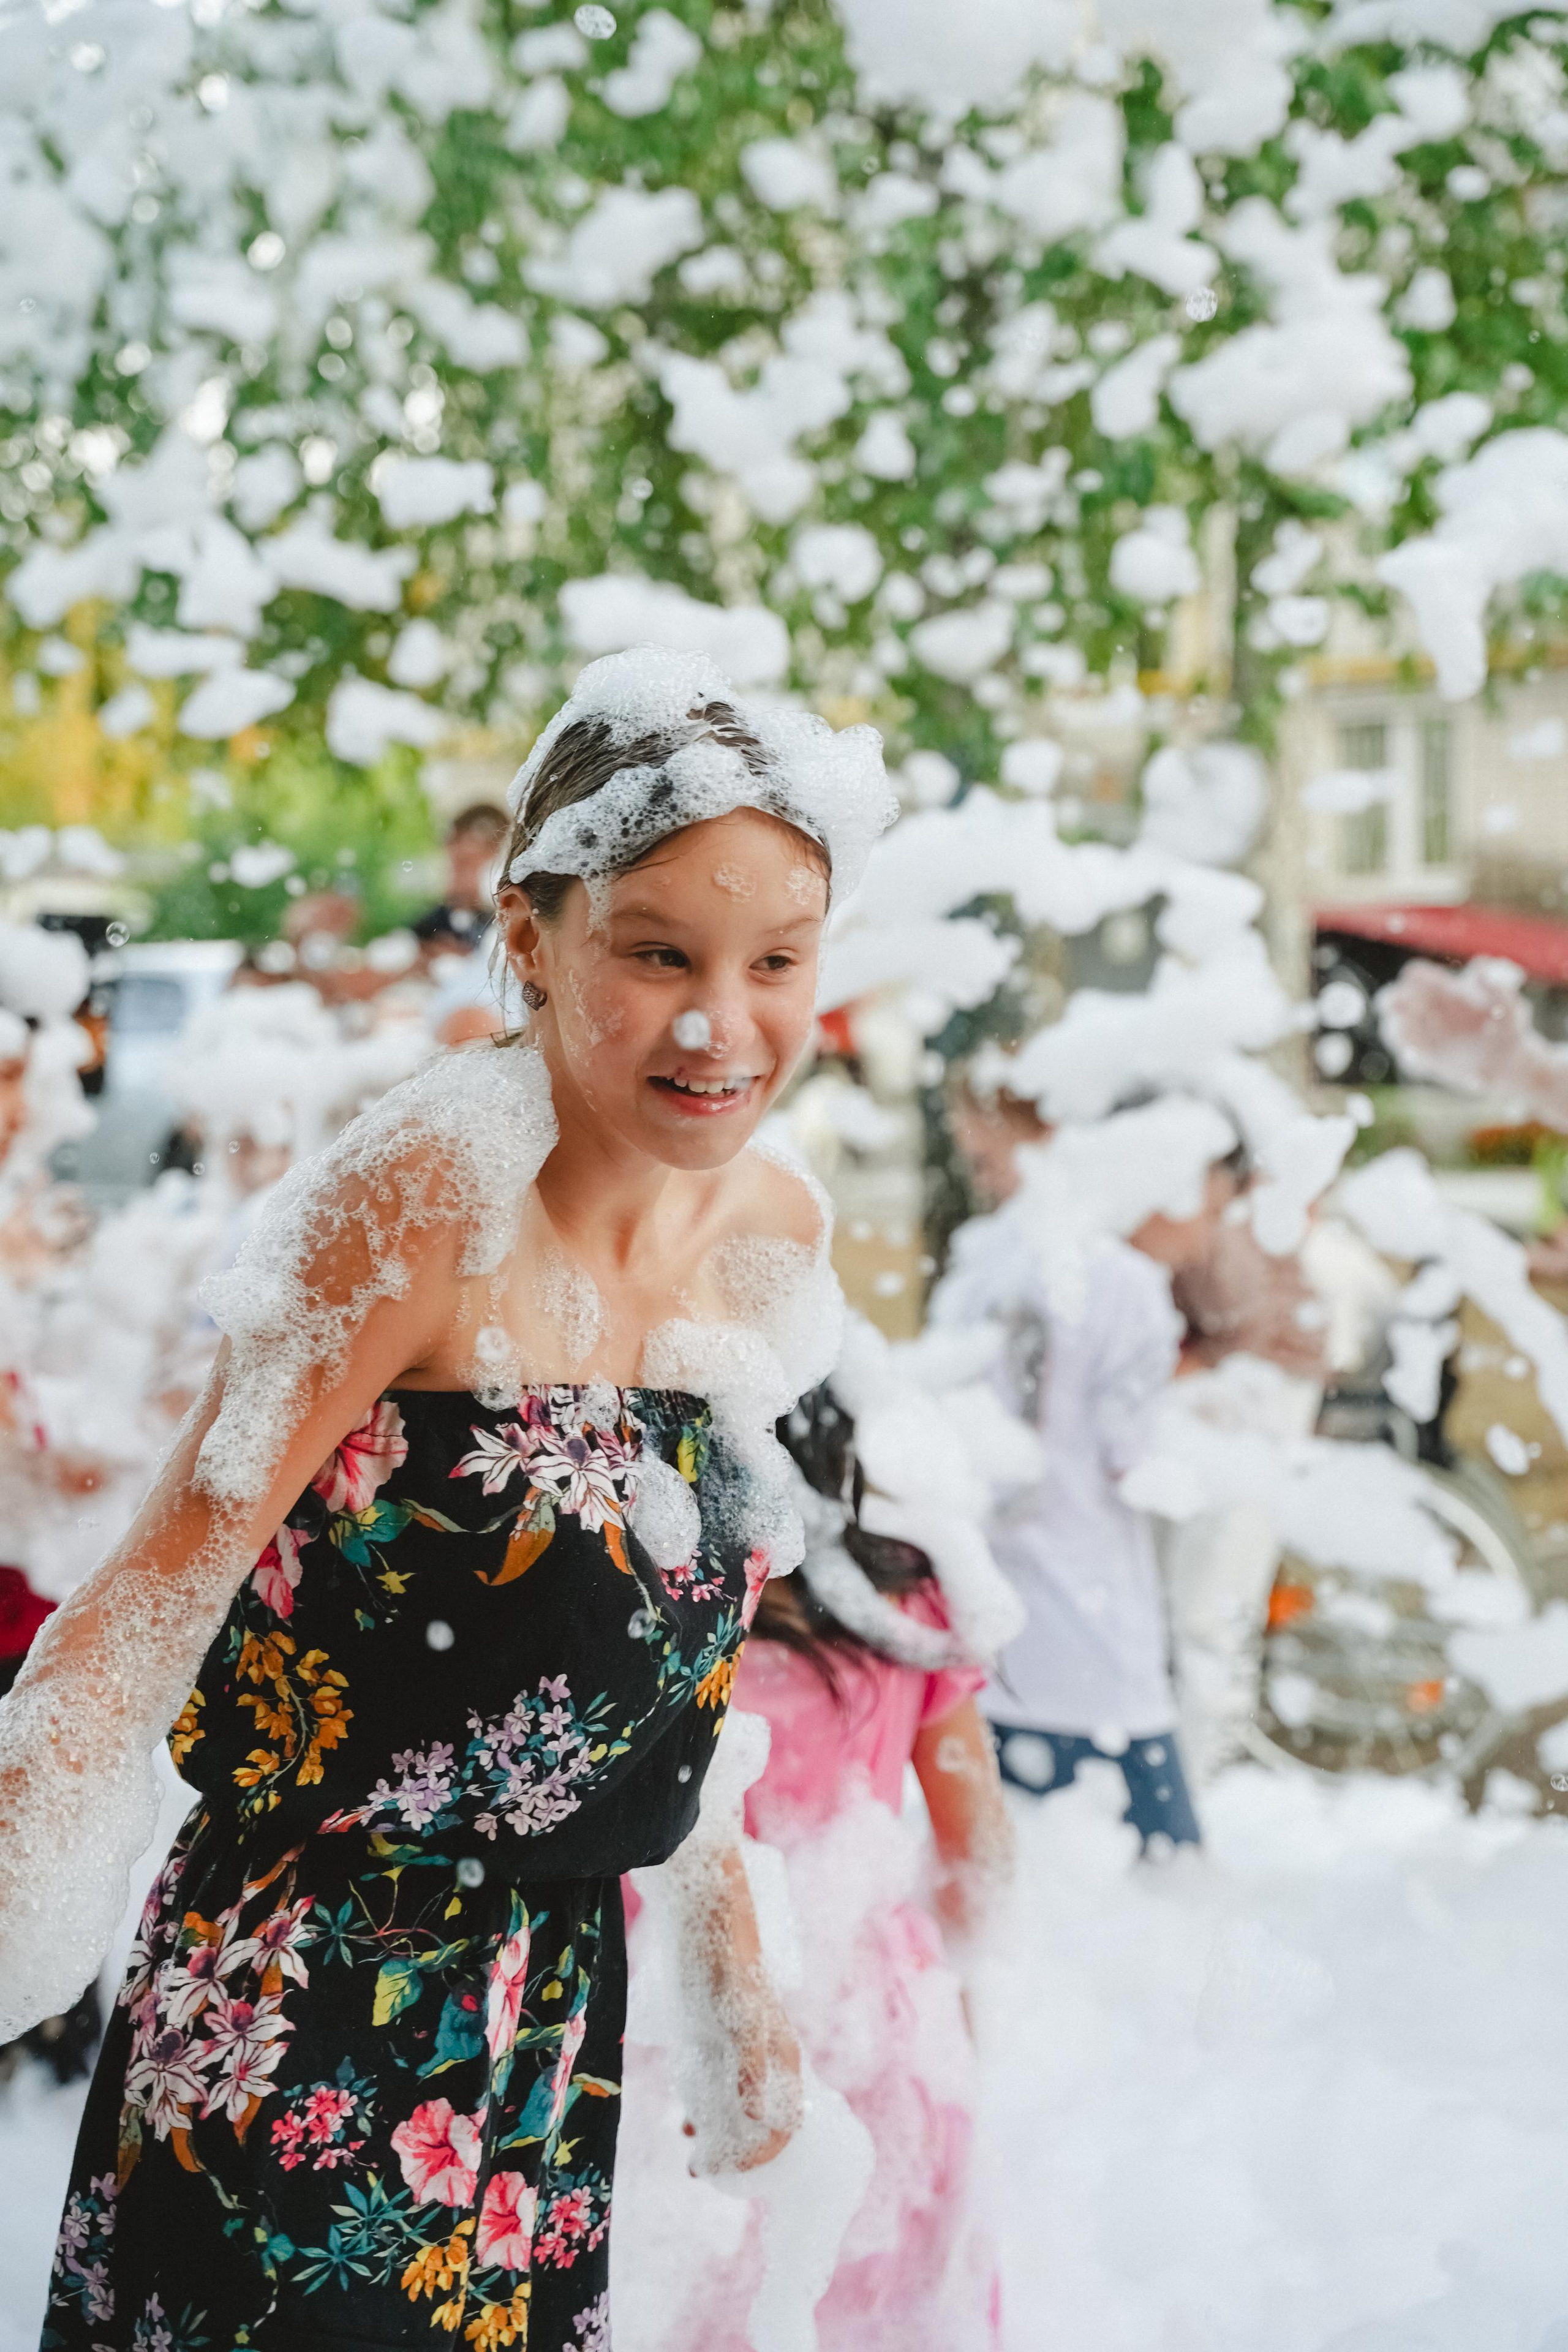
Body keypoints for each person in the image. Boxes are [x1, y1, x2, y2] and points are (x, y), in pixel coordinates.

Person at [0, 649, 894, 2352]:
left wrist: (733, 1991)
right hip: (304, 1998)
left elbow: (678, 1687)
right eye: (656, 954)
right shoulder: (426, 1193)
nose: (725, 1024)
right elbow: (163, 1571)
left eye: (776, 962)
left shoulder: (771, 1234)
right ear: (534, 933)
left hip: (550, 2025)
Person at [619, 1374, 1011, 2352]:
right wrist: (960, 1985)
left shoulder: (651, 1602)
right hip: (875, 2010)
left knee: (699, 2306)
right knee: (887, 2312)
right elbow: (982, 1851)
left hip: (681, 2007)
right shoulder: (910, 1602)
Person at [937, 1086, 1245, 1855]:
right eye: (1214, 1205)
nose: (1211, 1234)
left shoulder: (996, 1253)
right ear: (1172, 1175)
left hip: (996, 1630)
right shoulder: (1130, 1287)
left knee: (1035, 1898)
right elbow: (1134, 1463)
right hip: (1092, 1644)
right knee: (1162, 1893)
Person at [415, 802, 511, 961]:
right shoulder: (435, 925)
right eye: (454, 866)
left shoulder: (510, 924)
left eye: (466, 866)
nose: (454, 879)